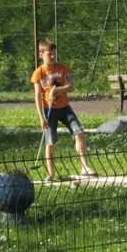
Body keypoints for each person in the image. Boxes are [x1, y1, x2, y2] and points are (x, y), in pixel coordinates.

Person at [30, 40, 97, 182]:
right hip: (49, 110)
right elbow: (37, 96)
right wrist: (41, 117)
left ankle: (85, 167)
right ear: (41, 54)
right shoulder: (38, 73)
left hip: (65, 108)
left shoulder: (63, 68)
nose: (53, 56)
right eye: (50, 54)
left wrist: (57, 89)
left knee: (79, 133)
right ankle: (51, 174)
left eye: (54, 53)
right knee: (50, 142)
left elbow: (71, 87)